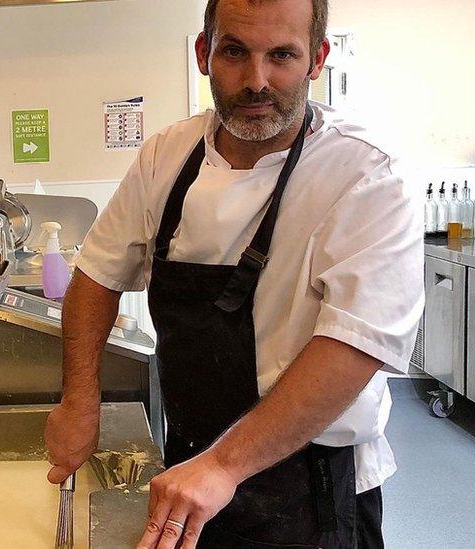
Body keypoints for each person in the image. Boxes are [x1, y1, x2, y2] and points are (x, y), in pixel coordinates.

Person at [43, 0, 424, 547]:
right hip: (189, 471)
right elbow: (97, 275)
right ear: (205, 53)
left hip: (310, 488)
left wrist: (223, 466)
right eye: (235, 52)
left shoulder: (366, 176)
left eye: (282, 56)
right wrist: (79, 399)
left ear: (317, 59)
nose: (256, 81)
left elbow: (354, 346)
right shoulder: (167, 156)